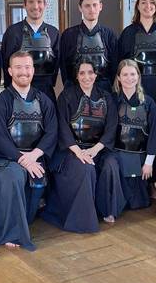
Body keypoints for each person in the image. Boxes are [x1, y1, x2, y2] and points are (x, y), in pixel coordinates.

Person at [0, 51, 57, 250]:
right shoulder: (1, 101)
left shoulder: (43, 100)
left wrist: (34, 155)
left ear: (33, 70)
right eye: (18, 67)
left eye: (27, 67)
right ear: (9, 71)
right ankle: (7, 232)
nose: (23, 72)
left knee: (39, 177)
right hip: (5, 159)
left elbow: (52, 132)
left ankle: (25, 222)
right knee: (14, 176)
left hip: (34, 156)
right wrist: (23, 159)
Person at [42, 60, 125, 233]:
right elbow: (62, 126)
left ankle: (108, 210)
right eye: (82, 73)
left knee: (110, 165)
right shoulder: (66, 96)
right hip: (73, 150)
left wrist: (95, 150)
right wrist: (78, 151)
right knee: (85, 168)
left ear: (96, 75)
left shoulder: (106, 96)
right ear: (77, 76)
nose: (86, 77)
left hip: (99, 149)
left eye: (90, 73)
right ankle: (84, 219)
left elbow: (111, 127)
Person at [113, 59, 156, 211]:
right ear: (119, 78)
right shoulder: (112, 101)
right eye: (125, 74)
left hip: (141, 156)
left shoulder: (149, 103)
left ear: (139, 77)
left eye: (133, 74)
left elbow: (154, 134)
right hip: (117, 154)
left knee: (138, 203)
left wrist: (149, 163)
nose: (129, 78)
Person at [1, 0, 59, 102]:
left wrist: (50, 83)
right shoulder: (13, 32)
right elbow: (6, 62)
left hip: (45, 90)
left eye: (39, 2)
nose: (36, 6)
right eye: (31, 2)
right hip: (18, 91)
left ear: (45, 4)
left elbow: (56, 62)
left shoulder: (53, 32)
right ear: (25, 5)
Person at [118, 0, 156, 103]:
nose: (148, 6)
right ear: (138, 6)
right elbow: (121, 62)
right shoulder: (128, 32)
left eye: (152, 2)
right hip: (135, 84)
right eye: (143, 2)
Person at [60, 0, 118, 92]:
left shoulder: (109, 35)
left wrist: (108, 86)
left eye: (94, 5)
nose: (91, 9)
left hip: (103, 89)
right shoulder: (68, 35)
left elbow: (114, 65)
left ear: (100, 6)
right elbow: (64, 66)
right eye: (87, 6)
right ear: (80, 8)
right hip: (75, 88)